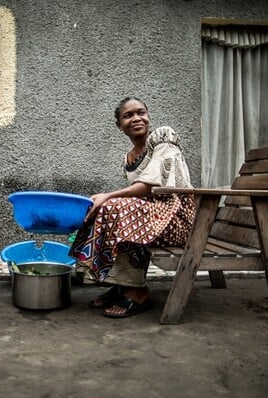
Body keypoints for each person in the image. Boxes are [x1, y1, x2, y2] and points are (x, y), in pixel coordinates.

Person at [69, 96, 196, 318]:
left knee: (115, 207)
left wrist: (107, 196)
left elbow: (146, 187)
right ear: (120, 126)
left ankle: (137, 292)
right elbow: (138, 198)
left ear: (148, 116)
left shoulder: (164, 138)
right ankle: (122, 285)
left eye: (141, 113)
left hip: (177, 217)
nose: (136, 118)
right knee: (102, 209)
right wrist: (104, 202)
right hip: (154, 218)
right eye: (128, 116)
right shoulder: (128, 159)